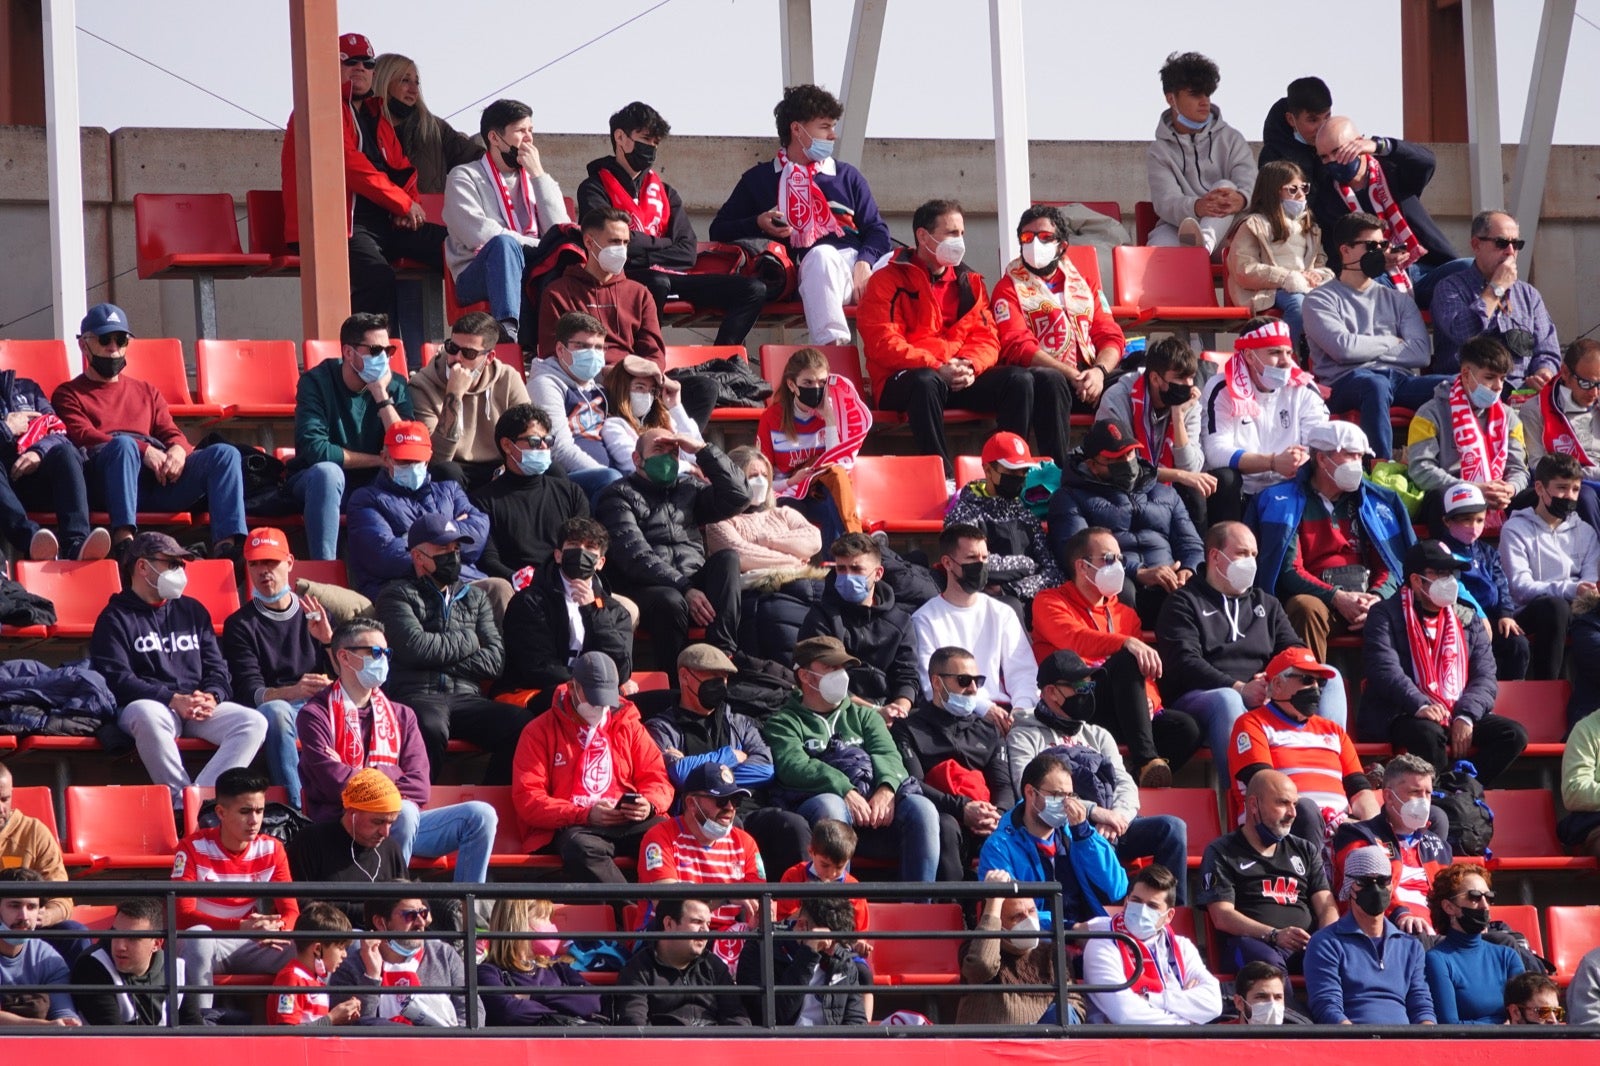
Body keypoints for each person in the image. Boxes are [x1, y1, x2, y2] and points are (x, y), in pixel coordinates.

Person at [297, 618, 499, 885]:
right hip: (344, 824)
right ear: (344, 658)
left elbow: (418, 785)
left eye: (387, 653)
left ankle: (469, 913)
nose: (384, 660)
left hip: (400, 823)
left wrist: (361, 776)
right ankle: (392, 904)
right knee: (402, 810)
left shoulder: (403, 715)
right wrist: (391, 772)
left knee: (481, 816)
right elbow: (333, 784)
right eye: (376, 653)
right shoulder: (315, 715)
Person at [90, 531, 265, 809]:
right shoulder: (114, 617)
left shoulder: (193, 610)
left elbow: (218, 667)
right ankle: (180, 803)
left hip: (196, 707)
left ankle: (199, 800)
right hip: (150, 706)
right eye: (171, 563)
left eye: (181, 565)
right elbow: (117, 679)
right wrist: (172, 699)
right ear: (142, 566)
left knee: (254, 722)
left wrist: (213, 696)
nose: (179, 571)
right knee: (148, 715)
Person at [280, 33, 445, 326]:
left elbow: (403, 169)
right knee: (377, 277)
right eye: (349, 61)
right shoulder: (317, 109)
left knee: (454, 247)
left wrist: (408, 209)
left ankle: (485, 340)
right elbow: (348, 165)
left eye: (367, 63)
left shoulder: (374, 115)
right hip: (338, 228)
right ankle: (373, 357)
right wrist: (402, 204)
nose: (360, 68)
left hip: (382, 225)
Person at [57, 303, 246, 559]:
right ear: (84, 345)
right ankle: (125, 543)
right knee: (123, 445)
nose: (113, 348)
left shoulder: (146, 391)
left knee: (225, 454)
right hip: (106, 481)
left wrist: (178, 450)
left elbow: (170, 432)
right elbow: (83, 435)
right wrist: (143, 450)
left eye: (121, 339)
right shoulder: (68, 393)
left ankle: (228, 550)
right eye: (105, 340)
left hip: (157, 480)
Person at [710, 83, 891, 346]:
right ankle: (833, 357)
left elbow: (877, 230)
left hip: (857, 268)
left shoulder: (846, 176)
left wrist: (865, 263)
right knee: (820, 257)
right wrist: (758, 223)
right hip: (803, 273)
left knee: (896, 267)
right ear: (797, 129)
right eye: (825, 127)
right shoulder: (759, 179)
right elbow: (719, 230)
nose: (833, 135)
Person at [577, 100, 767, 348]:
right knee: (657, 282)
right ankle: (643, 354)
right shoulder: (593, 188)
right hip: (625, 275)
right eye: (645, 139)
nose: (651, 148)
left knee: (753, 289)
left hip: (671, 274)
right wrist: (664, 245)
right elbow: (608, 244)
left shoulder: (666, 193)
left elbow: (687, 251)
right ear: (620, 138)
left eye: (655, 143)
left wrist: (640, 247)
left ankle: (723, 360)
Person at [860, 198, 1024, 481]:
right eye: (951, 233)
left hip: (957, 375)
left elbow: (987, 336)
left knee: (1020, 380)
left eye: (961, 234)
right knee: (926, 381)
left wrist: (970, 366)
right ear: (923, 236)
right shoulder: (886, 280)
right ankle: (944, 478)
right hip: (903, 380)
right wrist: (937, 366)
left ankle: (1008, 470)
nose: (959, 241)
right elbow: (882, 341)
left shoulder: (969, 281)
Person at [1158, 522, 1349, 759]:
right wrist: (1238, 688)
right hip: (1203, 699)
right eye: (1242, 553)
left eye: (1254, 555)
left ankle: (1326, 766)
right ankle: (1244, 790)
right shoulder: (1183, 602)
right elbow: (1183, 662)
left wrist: (1272, 678)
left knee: (1329, 675)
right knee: (1227, 699)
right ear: (1215, 556)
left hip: (1265, 694)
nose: (1250, 561)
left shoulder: (1267, 604)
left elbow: (1295, 649)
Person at [1005, 650, 1190, 895]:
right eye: (1079, 685)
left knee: (1172, 828)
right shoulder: (1023, 735)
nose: (1088, 691)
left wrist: (1117, 817)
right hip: (1066, 827)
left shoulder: (1099, 734)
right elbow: (1028, 789)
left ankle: (1168, 918)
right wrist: (1095, 813)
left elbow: (1124, 782)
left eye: (1089, 684)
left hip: (1114, 823)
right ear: (1051, 692)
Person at [763, 636, 942, 883]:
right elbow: (793, 766)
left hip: (874, 804)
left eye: (842, 668)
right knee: (831, 806)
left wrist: (886, 788)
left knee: (923, 809)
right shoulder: (783, 722)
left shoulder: (865, 716)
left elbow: (887, 754)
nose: (841, 675)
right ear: (805, 676)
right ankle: (836, 903)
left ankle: (920, 907)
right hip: (818, 804)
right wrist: (843, 788)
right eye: (830, 668)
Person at [1033, 527, 1202, 787]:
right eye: (1109, 559)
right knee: (1125, 658)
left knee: (1186, 728)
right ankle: (1147, 760)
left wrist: (1151, 700)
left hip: (1118, 705)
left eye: (1120, 559)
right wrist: (1126, 642)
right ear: (1082, 566)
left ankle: (1134, 782)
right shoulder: (1049, 600)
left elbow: (1145, 671)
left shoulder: (1125, 614)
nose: (1119, 566)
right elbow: (1073, 638)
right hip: (1075, 693)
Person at [376, 514, 532, 781]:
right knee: (429, 726)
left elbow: (494, 661)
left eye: (456, 549)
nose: (453, 555)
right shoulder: (396, 594)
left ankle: (488, 798)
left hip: (467, 697)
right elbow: (414, 648)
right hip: (416, 695)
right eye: (443, 549)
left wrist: (433, 656)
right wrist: (470, 641)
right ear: (418, 556)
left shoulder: (476, 597)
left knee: (524, 724)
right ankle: (423, 802)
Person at [1361, 539, 1527, 786]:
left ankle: (1458, 789)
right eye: (1440, 573)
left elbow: (1485, 675)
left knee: (1513, 735)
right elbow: (1384, 669)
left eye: (1451, 573)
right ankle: (1438, 798)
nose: (1449, 580)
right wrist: (1421, 705)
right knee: (1429, 733)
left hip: (1457, 708)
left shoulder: (1467, 617)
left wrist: (1466, 716)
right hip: (1401, 710)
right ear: (1417, 580)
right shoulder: (1385, 614)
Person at [1252, 420, 1417, 662]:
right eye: (1350, 455)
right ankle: (1307, 690)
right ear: (1321, 459)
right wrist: (1337, 598)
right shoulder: (1281, 500)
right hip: (1320, 601)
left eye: (1361, 457)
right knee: (1303, 607)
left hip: (1369, 599)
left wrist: (1377, 598)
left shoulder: (1378, 501)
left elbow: (1393, 564)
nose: (1357, 464)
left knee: (1403, 610)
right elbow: (1288, 569)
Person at [645, 644, 811, 876]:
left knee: (793, 826)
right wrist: (731, 756)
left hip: (749, 808)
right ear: (684, 676)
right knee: (733, 828)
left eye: (724, 678)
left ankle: (802, 907)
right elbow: (676, 774)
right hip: (700, 817)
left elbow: (765, 768)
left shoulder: (741, 722)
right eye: (712, 677)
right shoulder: (661, 728)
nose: (720, 685)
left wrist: (697, 769)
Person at [511, 651, 672, 882]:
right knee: (581, 848)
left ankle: (668, 910)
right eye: (594, 698)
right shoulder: (538, 731)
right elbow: (529, 798)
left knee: (664, 835)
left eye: (606, 699)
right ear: (572, 687)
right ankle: (631, 912)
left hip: (629, 820)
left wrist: (649, 805)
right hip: (577, 826)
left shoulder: (629, 724)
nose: (600, 706)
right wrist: (585, 814)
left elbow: (657, 777)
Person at [595, 427, 749, 667]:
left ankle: (722, 656)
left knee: (728, 559)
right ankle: (677, 678)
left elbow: (739, 496)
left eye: (673, 452)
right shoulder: (617, 496)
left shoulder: (688, 489)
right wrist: (684, 587)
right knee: (671, 600)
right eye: (658, 450)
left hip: (691, 581)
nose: (667, 457)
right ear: (637, 459)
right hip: (647, 588)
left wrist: (702, 450)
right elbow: (635, 557)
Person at [1303, 212, 1446, 460]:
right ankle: (1380, 466)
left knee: (1456, 385)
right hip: (1345, 383)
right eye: (1371, 246)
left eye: (1383, 245)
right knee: (1374, 383)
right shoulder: (1319, 299)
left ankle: (1454, 464)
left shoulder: (1398, 299)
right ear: (1345, 251)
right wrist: (1393, 342)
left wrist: (1364, 346)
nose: (1379, 252)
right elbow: (1343, 349)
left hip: (1399, 381)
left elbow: (1421, 353)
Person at [1046, 418, 1204, 627]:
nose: (1126, 462)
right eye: (1115, 459)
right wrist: (1138, 571)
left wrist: (1188, 569)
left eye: (1129, 454)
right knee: (1120, 589)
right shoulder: (1068, 498)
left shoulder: (1166, 493)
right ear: (1092, 465)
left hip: (1169, 581)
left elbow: (1191, 544)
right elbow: (1076, 554)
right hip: (1121, 582)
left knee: (1198, 588)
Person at [443, 98, 570, 345]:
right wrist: (540, 247)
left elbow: (560, 231)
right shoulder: (464, 177)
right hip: (478, 272)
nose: (529, 138)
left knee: (566, 254)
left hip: (531, 266)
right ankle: (508, 332)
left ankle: (559, 343)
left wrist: (539, 175)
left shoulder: (538, 180)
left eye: (531, 131)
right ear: (495, 138)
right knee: (504, 245)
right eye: (521, 131)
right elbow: (481, 234)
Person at [221, 527, 333, 809]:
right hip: (278, 709)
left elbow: (349, 678)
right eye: (255, 563)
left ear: (290, 563)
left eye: (271, 562)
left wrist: (329, 643)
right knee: (277, 711)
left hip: (318, 705)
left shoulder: (316, 613)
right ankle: (296, 809)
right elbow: (250, 691)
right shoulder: (240, 624)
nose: (263, 571)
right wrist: (294, 691)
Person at [344, 420, 506, 614]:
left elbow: (477, 536)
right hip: (407, 590)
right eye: (404, 461)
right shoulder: (365, 500)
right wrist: (452, 534)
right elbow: (387, 557)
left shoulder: (450, 490)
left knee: (500, 588)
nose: (412, 466)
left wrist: (414, 539)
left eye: (417, 460)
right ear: (385, 458)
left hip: (465, 581)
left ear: (428, 459)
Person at [288, 311, 413, 561]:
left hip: (374, 484)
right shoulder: (315, 382)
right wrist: (379, 460)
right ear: (348, 352)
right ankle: (325, 573)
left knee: (413, 476)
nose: (384, 359)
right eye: (376, 351)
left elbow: (408, 451)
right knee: (328, 472)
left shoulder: (395, 386)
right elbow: (316, 450)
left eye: (388, 352)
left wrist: (381, 396)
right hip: (315, 482)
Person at [170, 768, 298, 1009]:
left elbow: (291, 911)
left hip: (251, 942)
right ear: (221, 812)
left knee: (311, 946)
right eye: (245, 812)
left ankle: (297, 1025)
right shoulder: (191, 847)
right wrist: (241, 926)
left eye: (260, 811)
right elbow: (183, 916)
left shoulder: (273, 849)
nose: (254, 821)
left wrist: (277, 929)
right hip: (202, 943)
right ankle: (201, 1024)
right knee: (199, 938)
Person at [990, 204, 1125, 426]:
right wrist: (1071, 374)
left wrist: (1099, 372)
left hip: (1090, 376)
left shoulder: (1085, 285)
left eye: (1044, 237)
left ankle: (1122, 457)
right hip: (1046, 379)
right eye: (1027, 237)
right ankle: (1058, 461)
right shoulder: (1007, 288)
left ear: (1061, 246)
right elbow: (1018, 345)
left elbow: (1110, 335)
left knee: (1131, 381)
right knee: (1052, 381)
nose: (1035, 244)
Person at [1228, 647, 1380, 841]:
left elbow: (1360, 791)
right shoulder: (1252, 723)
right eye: (1307, 680)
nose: (1315, 688)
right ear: (1277, 684)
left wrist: (1374, 828)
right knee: (1307, 811)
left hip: (1339, 828)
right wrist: (1325, 817)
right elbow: (1265, 786)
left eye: (1320, 682)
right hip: (1281, 828)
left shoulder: (1333, 730)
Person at [1310, 116, 1463, 304]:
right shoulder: (1326, 198)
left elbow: (1426, 161)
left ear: (1359, 143)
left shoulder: (1392, 170)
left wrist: (1380, 146)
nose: (1332, 160)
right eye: (1324, 157)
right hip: (1377, 278)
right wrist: (1375, 261)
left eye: (1338, 151)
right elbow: (1339, 257)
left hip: (1424, 269)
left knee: (1470, 269)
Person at [893, 646, 1015, 881]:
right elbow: (913, 784)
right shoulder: (908, 728)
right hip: (942, 817)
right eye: (963, 680)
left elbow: (1004, 785)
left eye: (977, 681)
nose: (973, 689)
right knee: (946, 826)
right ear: (937, 683)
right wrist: (962, 808)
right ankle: (954, 910)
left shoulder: (989, 730)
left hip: (986, 818)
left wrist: (996, 815)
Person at [1199, 769, 1338, 974]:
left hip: (1305, 947)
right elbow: (1222, 916)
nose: (1292, 813)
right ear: (1254, 805)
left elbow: (1327, 905)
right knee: (1265, 965)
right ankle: (1287, 1007)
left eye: (1295, 804)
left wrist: (1323, 939)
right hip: (1255, 946)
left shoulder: (1305, 849)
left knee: (1349, 955)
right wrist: (1273, 935)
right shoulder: (1221, 851)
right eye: (1282, 803)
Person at [1199, 317, 1330, 526]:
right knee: (1224, 478)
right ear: (1250, 356)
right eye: (1275, 353)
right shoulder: (1221, 387)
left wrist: (1299, 458)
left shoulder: (1304, 387)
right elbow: (1215, 451)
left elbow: (1320, 441)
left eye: (1288, 352)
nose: (1286, 360)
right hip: (1243, 487)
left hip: (1290, 483)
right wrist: (1272, 462)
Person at [976, 750, 1129, 927]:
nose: (1066, 803)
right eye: (1057, 795)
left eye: (1070, 795)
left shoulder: (1077, 834)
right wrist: (1070, 928)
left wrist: (1084, 834)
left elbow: (1117, 889)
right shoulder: (999, 847)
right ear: (1030, 792)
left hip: (1089, 934)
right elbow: (1013, 913)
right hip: (1038, 944)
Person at [638, 760, 765, 968]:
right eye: (721, 800)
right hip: (668, 938)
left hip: (726, 942)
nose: (730, 808)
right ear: (691, 803)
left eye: (735, 800)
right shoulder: (661, 837)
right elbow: (668, 906)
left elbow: (758, 905)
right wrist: (726, 895)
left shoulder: (745, 843)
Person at [498, 517, 635, 707]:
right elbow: (536, 667)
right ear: (558, 555)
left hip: (594, 697)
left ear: (600, 562)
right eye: (573, 545)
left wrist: (593, 612)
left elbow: (620, 669)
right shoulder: (530, 602)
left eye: (590, 547)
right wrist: (584, 687)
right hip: (535, 693)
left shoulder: (614, 611)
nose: (581, 552)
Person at [910, 523, 1040, 721]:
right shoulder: (924, 619)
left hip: (1008, 714)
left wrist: (1021, 710)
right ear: (947, 563)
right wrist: (982, 707)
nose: (980, 565)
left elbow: (1024, 672)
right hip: (956, 714)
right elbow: (932, 686)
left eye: (985, 558)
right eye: (971, 558)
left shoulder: (1002, 612)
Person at [1304, 843, 1437, 1025]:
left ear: (1391, 886)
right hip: (1352, 1046)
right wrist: (1361, 1044)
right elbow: (1327, 1006)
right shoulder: (1325, 943)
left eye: (1383, 881)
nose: (1375, 889)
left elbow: (1421, 1006)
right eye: (1364, 882)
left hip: (1405, 1046)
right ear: (1350, 886)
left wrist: (1426, 1042)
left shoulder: (1411, 947)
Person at [0, 338, 107, 562]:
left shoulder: (28, 389)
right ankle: (33, 542)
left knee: (67, 454)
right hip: (4, 488)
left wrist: (38, 452)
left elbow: (58, 430)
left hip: (35, 479)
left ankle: (76, 544)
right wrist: (6, 428)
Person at [1433, 483, 1549, 682]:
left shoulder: (1487, 551)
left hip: (1493, 619)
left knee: (1517, 644)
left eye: (1479, 520)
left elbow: (1501, 583)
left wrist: (1506, 614)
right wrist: (1477, 615)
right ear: (1447, 521)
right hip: (1460, 623)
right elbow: (1453, 591)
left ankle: (1513, 695)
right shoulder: (1440, 551)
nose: (1474, 527)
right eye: (1466, 520)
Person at [798, 532, 920, 720]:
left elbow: (907, 675)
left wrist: (899, 708)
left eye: (856, 569)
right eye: (841, 569)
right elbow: (821, 680)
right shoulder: (821, 617)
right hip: (836, 712)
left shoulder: (900, 622)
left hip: (888, 712)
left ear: (878, 574)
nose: (847, 576)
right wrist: (875, 712)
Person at [756, 346, 871, 545]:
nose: (816, 388)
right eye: (808, 382)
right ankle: (852, 556)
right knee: (793, 512)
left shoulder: (834, 412)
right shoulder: (771, 418)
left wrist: (829, 419)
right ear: (792, 385)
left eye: (822, 382)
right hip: (785, 492)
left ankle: (854, 550)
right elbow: (761, 481)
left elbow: (837, 464)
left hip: (818, 491)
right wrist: (791, 482)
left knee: (835, 486)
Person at [1081, 864, 1222, 1024]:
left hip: (1176, 1045)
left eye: (1152, 906)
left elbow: (1214, 1003)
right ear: (1126, 903)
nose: (1142, 910)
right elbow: (1125, 1015)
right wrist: (1186, 1021)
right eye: (1136, 901)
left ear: (1169, 916)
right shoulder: (1102, 944)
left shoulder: (1182, 947)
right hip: (1119, 1045)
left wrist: (1150, 999)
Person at [537, 209, 672, 376]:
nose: (622, 250)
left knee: (702, 387)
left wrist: (637, 378)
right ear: (589, 242)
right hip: (578, 382)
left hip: (630, 381)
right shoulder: (558, 293)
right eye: (615, 242)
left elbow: (654, 355)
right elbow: (552, 353)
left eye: (625, 243)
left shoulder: (640, 294)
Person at [1429, 211, 1560, 383]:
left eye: (1516, 244)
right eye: (1501, 243)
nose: (1510, 252)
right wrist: (1496, 288)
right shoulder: (1450, 288)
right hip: (1466, 389)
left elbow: (1547, 351)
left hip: (1519, 390)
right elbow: (1464, 333)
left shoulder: (1529, 295)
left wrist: (1544, 373)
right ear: (1476, 245)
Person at [1145, 51, 1255, 255]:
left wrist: (1241, 198)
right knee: (1157, 251)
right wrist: (1198, 207)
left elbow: (1250, 182)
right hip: (1177, 228)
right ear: (1171, 99)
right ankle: (1195, 253)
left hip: (1230, 233)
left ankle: (1201, 247)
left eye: (1207, 94)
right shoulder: (1159, 152)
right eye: (1195, 94)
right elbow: (1166, 201)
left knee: (1226, 187)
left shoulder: (1232, 139)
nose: (1205, 101)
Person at [1330, 754, 1453, 933]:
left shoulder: (1439, 847)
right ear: (1388, 796)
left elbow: (1451, 896)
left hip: (1437, 931)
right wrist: (1402, 915)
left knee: (1503, 941)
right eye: (1415, 792)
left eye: (1428, 793)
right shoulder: (1357, 834)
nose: (1424, 801)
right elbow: (1367, 888)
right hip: (1386, 928)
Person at [410, 311, 531, 491]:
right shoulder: (422, 385)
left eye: (468, 353)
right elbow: (436, 459)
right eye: (452, 348)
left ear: (489, 358)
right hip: (455, 468)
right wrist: (454, 395)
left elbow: (527, 431)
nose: (457, 358)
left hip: (500, 466)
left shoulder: (507, 378)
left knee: (553, 471)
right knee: (447, 471)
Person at [944, 431, 1064, 612]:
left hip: (1026, 599)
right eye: (1010, 471)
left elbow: (1053, 573)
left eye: (1023, 471)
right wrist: (1028, 564)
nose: (1018, 477)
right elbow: (973, 564)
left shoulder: (1025, 515)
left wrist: (1012, 588)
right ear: (988, 470)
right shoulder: (965, 512)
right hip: (983, 604)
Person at [470, 403, 590, 579]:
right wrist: (524, 581)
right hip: (518, 589)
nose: (543, 447)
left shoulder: (571, 493)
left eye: (548, 440)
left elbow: (585, 545)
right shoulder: (482, 502)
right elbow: (489, 560)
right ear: (507, 445)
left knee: (627, 606)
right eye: (534, 441)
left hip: (569, 583)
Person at [1097, 338, 1209, 527]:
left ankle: (1196, 557)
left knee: (1195, 494)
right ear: (1155, 378)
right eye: (1180, 378)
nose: (1188, 385)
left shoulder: (1189, 403)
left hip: (1166, 487)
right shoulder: (1118, 398)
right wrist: (1178, 476)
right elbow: (1125, 468)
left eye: (1191, 377)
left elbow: (1190, 468)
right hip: (1124, 485)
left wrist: (1178, 415)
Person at [1407, 335, 1529, 505]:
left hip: (1499, 495)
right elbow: (1420, 470)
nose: (1498, 386)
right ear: (1465, 374)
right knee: (1436, 500)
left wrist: (1510, 488)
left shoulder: (1510, 417)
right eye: (1489, 377)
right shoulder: (1429, 414)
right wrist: (1472, 489)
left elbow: (1519, 469)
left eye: (1502, 378)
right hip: (1453, 496)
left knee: (1537, 498)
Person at [1226, 163, 1334, 348]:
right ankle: (1287, 356)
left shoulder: (1311, 229)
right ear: (1272, 192)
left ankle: (1319, 364)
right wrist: (1287, 278)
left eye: (1304, 187)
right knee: (1298, 306)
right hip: (1268, 291)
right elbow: (1244, 269)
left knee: (1335, 305)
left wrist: (1318, 274)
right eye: (1292, 190)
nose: (1300, 195)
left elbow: (1319, 261)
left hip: (1305, 287)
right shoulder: (1253, 224)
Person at [329, 892, 478, 1026]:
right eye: (410, 915)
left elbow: (473, 1010)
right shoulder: (350, 966)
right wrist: (371, 978)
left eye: (424, 913)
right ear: (381, 923)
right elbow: (356, 1031)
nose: (421, 923)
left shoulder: (443, 955)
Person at [527, 312, 627, 503]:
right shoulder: (545, 384)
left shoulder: (600, 387)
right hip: (571, 479)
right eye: (581, 346)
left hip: (613, 476)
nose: (592, 353)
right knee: (610, 481)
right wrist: (617, 481)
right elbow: (559, 449)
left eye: (598, 347)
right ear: (560, 349)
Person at [615, 898, 750, 1027]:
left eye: (707, 924)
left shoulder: (714, 966)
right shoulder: (638, 969)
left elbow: (737, 1019)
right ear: (669, 924)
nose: (706, 931)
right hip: (664, 1048)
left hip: (713, 1048)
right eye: (697, 922)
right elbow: (634, 1026)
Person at [735, 896, 869, 1026]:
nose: (833, 950)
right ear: (802, 925)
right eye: (827, 941)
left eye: (837, 942)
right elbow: (771, 1018)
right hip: (778, 1045)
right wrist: (808, 954)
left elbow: (856, 1021)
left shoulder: (842, 959)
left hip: (829, 1046)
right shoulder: (761, 947)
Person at [71, 896, 203, 1026]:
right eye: (115, 934)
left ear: (157, 943)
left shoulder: (177, 970)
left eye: (132, 938)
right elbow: (112, 1037)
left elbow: (195, 1030)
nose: (120, 946)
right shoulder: (91, 965)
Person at [1500, 454, 1600, 625]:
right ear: (1539, 488)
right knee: (1557, 607)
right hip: (1531, 611)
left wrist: (1583, 590)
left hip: (1577, 610)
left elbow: (1589, 583)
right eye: (1562, 487)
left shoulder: (1586, 531)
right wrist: (1572, 589)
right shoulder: (1515, 530)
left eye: (1575, 489)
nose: (1569, 496)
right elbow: (1520, 588)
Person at [1422, 863, 1524, 1024]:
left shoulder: (1507, 956)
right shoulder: (1437, 959)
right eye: (1474, 897)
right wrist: (1502, 1026)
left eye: (1489, 897)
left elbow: (1524, 1017)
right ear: (1449, 907)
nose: (1484, 905)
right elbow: (1449, 1026)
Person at [477, 898, 603, 1026]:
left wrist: (532, 997)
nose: (552, 927)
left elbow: (593, 1002)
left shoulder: (557, 966)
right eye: (544, 919)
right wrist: (566, 1006)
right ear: (521, 925)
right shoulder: (487, 972)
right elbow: (510, 1012)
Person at [957, 869, 1060, 1025]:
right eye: (1017, 916)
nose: (1029, 921)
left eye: (1031, 911)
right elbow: (982, 967)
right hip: (991, 1046)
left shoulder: (1052, 953)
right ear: (998, 923)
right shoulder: (974, 948)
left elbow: (1075, 1002)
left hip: (1044, 1045)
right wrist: (994, 900)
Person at [370, 53, 481, 195]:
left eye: (416, 82)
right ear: (383, 81)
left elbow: (475, 158)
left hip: (427, 216)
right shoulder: (364, 128)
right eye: (405, 80)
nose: (413, 89)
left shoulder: (434, 128)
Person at [704, 446, 822, 574]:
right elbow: (742, 555)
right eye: (753, 476)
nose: (761, 482)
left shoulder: (783, 513)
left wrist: (768, 540)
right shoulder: (720, 521)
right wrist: (793, 560)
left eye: (765, 476)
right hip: (755, 589)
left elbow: (814, 539)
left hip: (799, 582)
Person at [285, 768, 407, 891]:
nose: (385, 833)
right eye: (378, 822)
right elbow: (297, 901)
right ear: (352, 812)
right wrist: (368, 909)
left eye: (391, 823)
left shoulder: (390, 849)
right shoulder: (311, 842)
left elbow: (408, 900)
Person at [0, 766, 76, 957]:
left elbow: (62, 897)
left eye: (4, 799)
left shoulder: (34, 832)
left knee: (74, 933)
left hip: (27, 927)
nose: (0, 808)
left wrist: (45, 915)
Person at [0, 868, 80, 1026]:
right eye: (14, 906)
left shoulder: (49, 958)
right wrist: (43, 1026)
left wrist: (67, 1024)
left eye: (31, 907)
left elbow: (63, 1011)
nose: (24, 916)